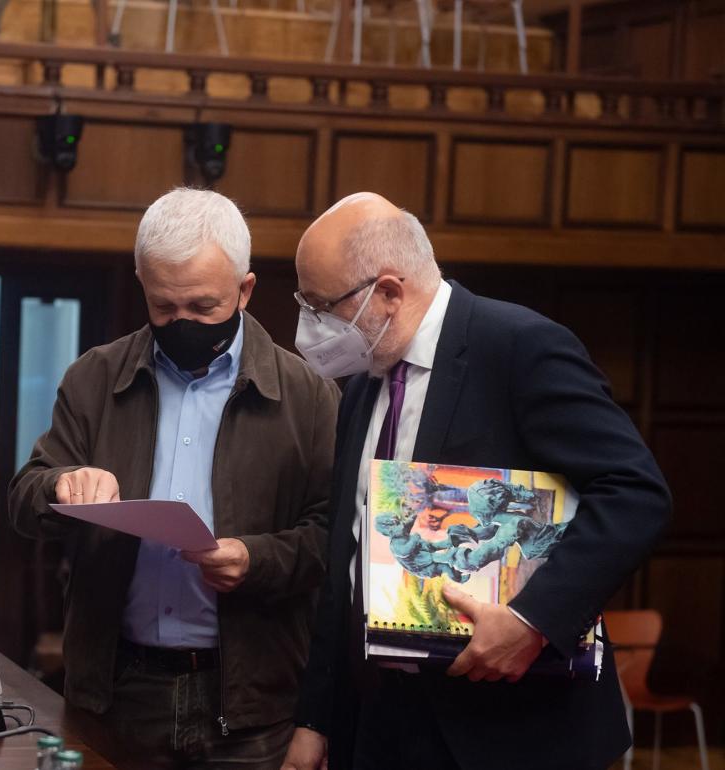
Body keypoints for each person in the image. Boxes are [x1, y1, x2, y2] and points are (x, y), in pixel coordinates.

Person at [281, 193, 670, 770]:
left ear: (388, 292)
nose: (309, 327)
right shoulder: (364, 383)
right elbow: (348, 560)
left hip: (515, 732)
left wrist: (531, 619)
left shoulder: (520, 347)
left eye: (321, 307)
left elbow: (636, 494)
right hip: (384, 726)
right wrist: (315, 720)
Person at [10, 188, 339, 768]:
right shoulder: (95, 377)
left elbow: (335, 540)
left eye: (203, 307)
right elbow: (25, 494)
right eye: (164, 308)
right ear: (142, 282)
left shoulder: (308, 395)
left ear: (245, 289)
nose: (181, 322)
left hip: (249, 704)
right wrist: (61, 486)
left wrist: (255, 560)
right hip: (117, 693)